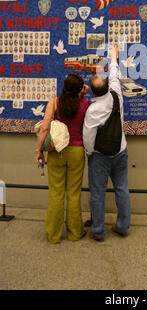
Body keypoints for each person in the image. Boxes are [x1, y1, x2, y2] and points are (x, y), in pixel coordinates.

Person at [83, 45, 130, 241]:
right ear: (108, 87)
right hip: (120, 151)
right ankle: (123, 226)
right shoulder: (116, 95)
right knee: (122, 189)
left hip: (100, 156)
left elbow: (88, 138)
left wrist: (90, 153)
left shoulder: (92, 111)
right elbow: (115, 75)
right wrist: (113, 57)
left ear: (91, 92)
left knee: (97, 193)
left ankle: (99, 231)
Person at [35, 73, 90, 244]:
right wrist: (83, 95)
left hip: (56, 151)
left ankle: (53, 234)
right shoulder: (85, 104)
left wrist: (39, 151)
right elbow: (78, 109)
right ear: (80, 89)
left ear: (64, 86)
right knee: (74, 194)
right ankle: (75, 233)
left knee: (56, 192)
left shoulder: (54, 103)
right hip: (76, 151)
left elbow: (44, 129)